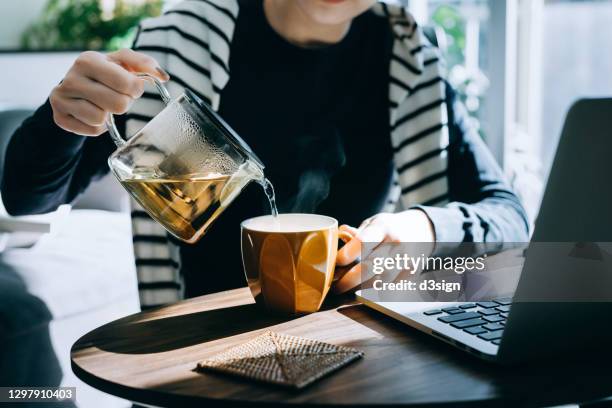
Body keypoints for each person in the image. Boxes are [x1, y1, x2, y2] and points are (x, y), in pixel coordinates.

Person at [2, 0, 529, 299]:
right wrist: (62, 120)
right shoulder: (180, 51)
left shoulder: (411, 59)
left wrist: (422, 228)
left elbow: (507, 216)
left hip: (358, 350)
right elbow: (27, 199)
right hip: (200, 354)